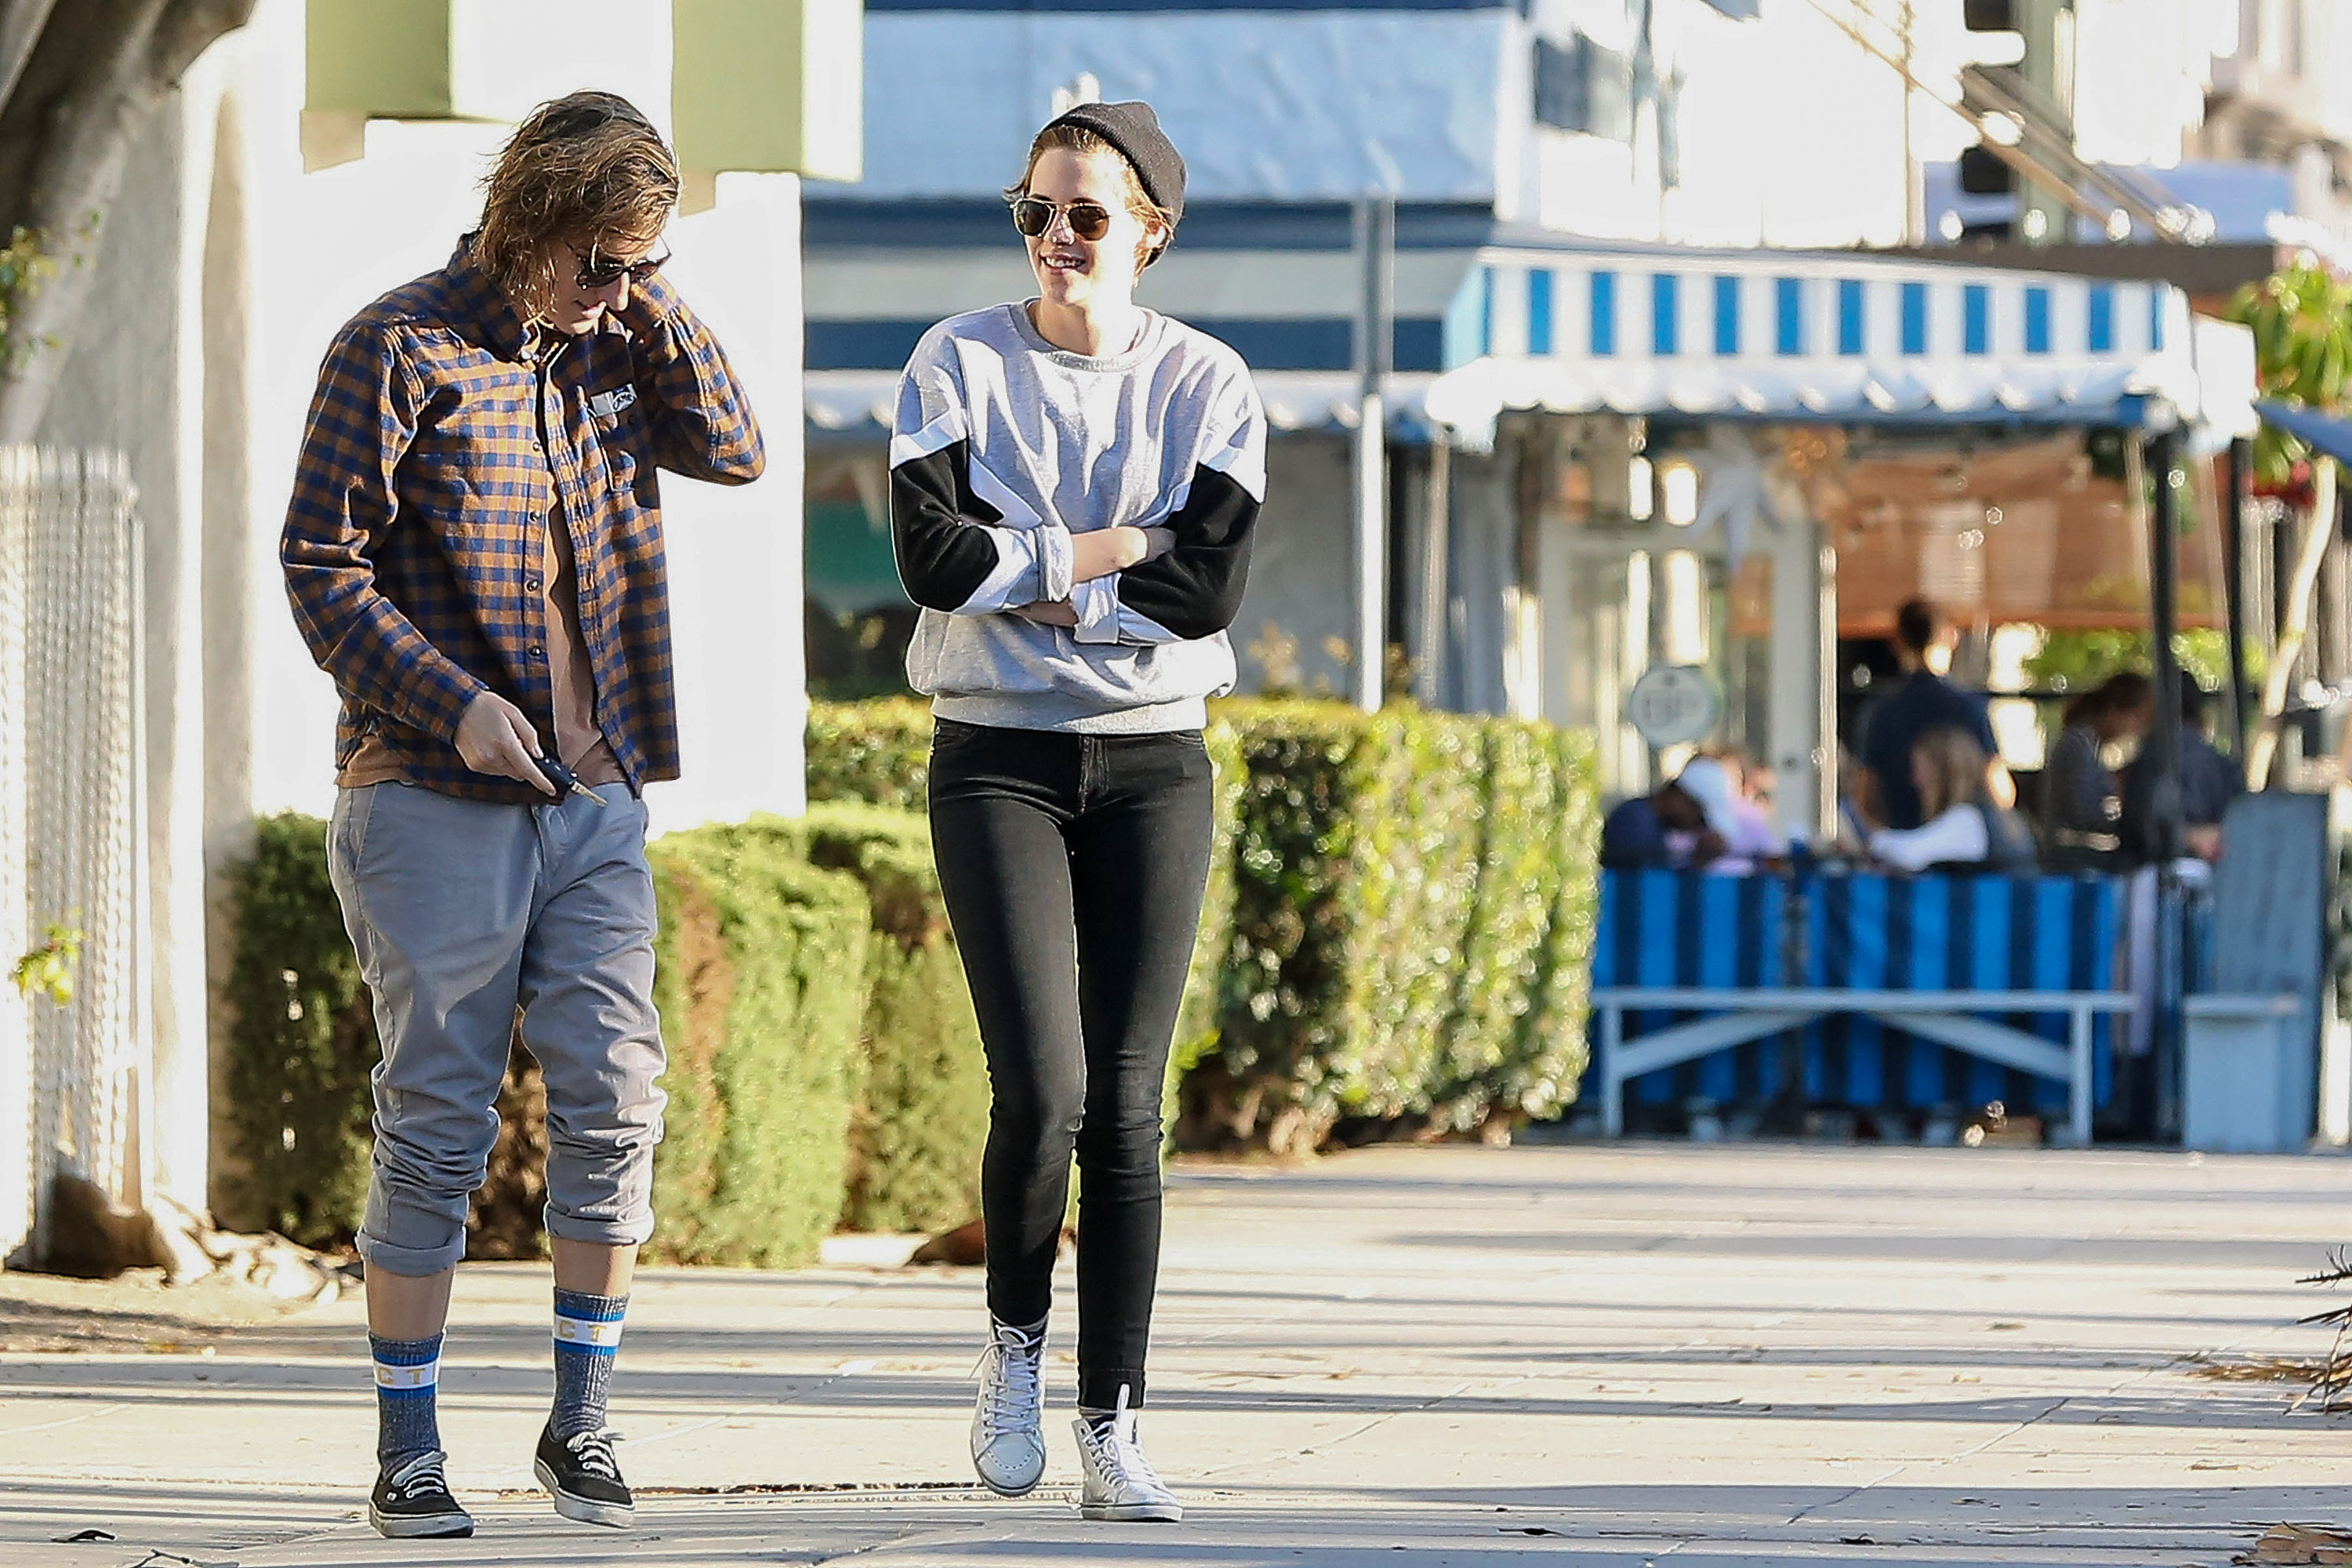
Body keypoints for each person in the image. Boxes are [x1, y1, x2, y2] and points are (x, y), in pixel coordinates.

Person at [280, 93, 764, 1539]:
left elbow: (735, 447)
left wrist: (649, 289)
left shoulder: (618, 340)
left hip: (597, 793)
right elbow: (321, 567)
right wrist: (454, 707)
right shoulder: (397, 346)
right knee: (440, 1117)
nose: (616, 290)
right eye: (601, 261)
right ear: (529, 223)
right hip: (433, 792)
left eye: (640, 264)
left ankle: (582, 1423)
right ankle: (408, 1446)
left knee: (617, 1097)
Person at [889, 100, 1261, 1525]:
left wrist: (1042, 580)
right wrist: (1110, 551)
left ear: (1150, 232)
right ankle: (1013, 1353)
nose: (1056, 237)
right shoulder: (958, 361)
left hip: (1156, 762)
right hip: (996, 753)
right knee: (1040, 1094)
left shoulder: (1209, 383)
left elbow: (1206, 588)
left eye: (1086, 215)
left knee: (1127, 1107)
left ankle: (1115, 1426)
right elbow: (933, 559)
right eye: (1035, 211)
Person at [1858, 599, 2013, 830]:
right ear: (1951, 636)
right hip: (1961, 840)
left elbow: (1866, 795)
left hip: (1901, 837)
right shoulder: (1969, 708)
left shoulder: (1880, 713)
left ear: (1897, 642)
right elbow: (1999, 791)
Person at [1867, 727, 2038, 873]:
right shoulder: (2004, 819)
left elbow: (1908, 856)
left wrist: (1870, 837)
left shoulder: (1968, 819)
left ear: (1943, 773)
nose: (1914, 780)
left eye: (1919, 769)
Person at [2119, 679, 2242, 865]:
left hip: (2160, 867)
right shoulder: (2222, 764)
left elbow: (2141, 829)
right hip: (2219, 866)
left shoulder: (2151, 759)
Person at [2039, 670, 2151, 869]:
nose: (2135, 730)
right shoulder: (2079, 745)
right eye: (2136, 720)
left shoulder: (2089, 745)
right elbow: (2083, 814)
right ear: (2116, 712)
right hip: (2071, 856)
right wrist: (2128, 820)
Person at [1600, 775, 1725, 870]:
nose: (1694, 827)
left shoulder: (1646, 819)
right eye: (1698, 819)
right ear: (1679, 796)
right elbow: (1647, 886)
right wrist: (1697, 862)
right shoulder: (1638, 822)